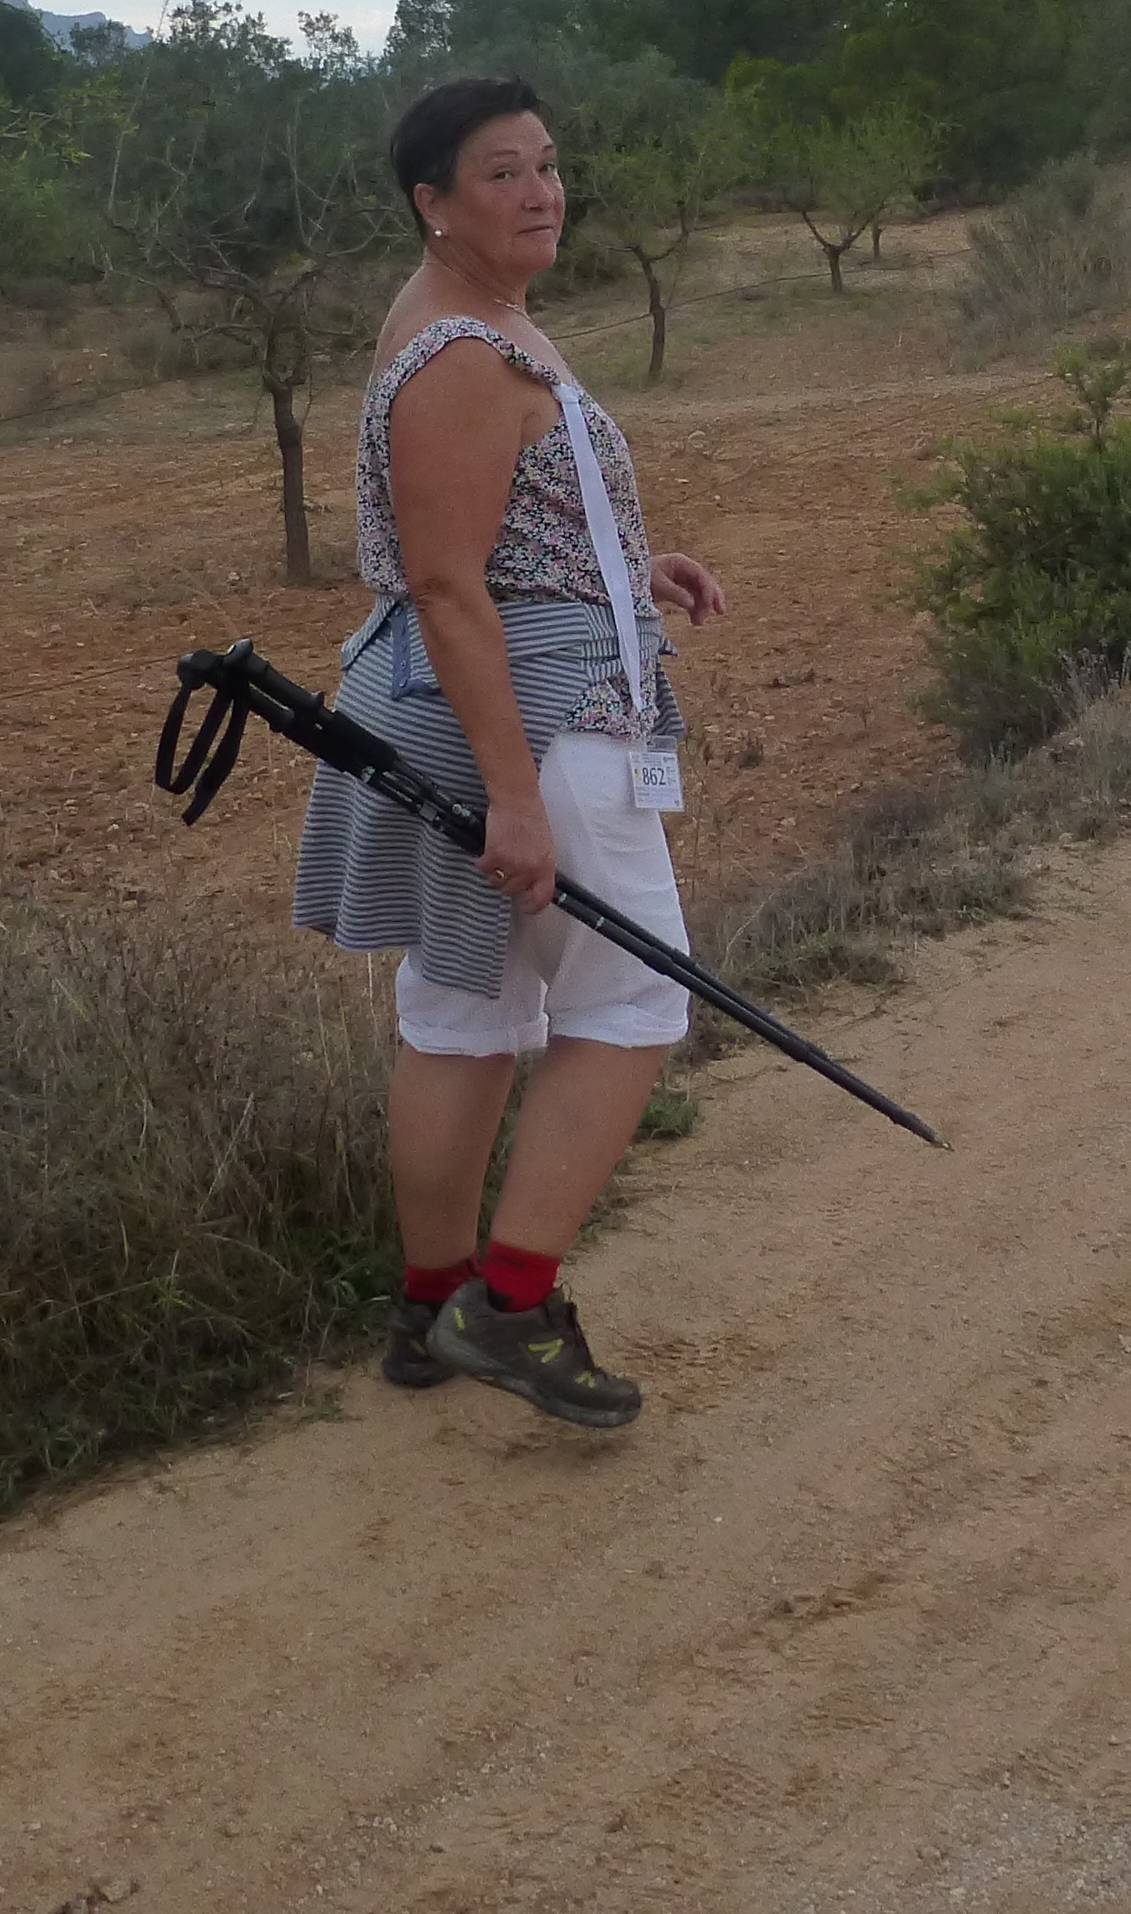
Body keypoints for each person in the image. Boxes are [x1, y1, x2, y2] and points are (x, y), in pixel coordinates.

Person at [295, 76, 731, 1431]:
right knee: (633, 1004)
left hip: (470, 704)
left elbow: (486, 534)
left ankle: (430, 1309)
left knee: (466, 1014)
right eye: (502, 173)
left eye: (547, 164)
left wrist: (616, 564)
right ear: (432, 203)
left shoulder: (457, 317)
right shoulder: (465, 356)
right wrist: (515, 800)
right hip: (538, 725)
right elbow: (443, 582)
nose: (542, 192)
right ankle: (511, 1306)